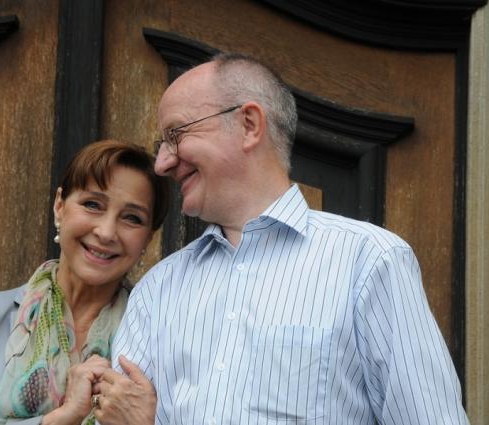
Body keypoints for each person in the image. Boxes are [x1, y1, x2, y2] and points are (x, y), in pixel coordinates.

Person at [105, 54, 470, 424]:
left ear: (249, 125)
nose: (162, 164)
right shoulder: (157, 290)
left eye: (175, 135)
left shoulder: (369, 261)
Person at [0, 140, 167, 425]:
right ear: (60, 206)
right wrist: (63, 418)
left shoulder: (160, 340)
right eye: (92, 205)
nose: (106, 232)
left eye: (132, 218)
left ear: (148, 238)